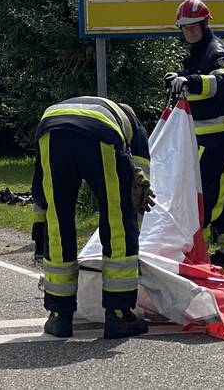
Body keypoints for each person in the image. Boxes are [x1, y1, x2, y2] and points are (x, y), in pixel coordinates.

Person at [30, 95, 154, 339]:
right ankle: (118, 315)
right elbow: (138, 189)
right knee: (116, 220)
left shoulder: (71, 109)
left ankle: (58, 316)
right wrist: (134, 223)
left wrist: (39, 229)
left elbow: (40, 187)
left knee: (58, 220)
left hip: (50, 132)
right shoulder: (134, 127)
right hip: (101, 135)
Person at [165, 0, 224, 266]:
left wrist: (188, 81)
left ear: (204, 24)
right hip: (210, 137)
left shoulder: (217, 51)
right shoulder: (197, 53)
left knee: (211, 192)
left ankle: (196, 245)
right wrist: (177, 79)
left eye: (193, 26)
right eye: (184, 28)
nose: (188, 31)